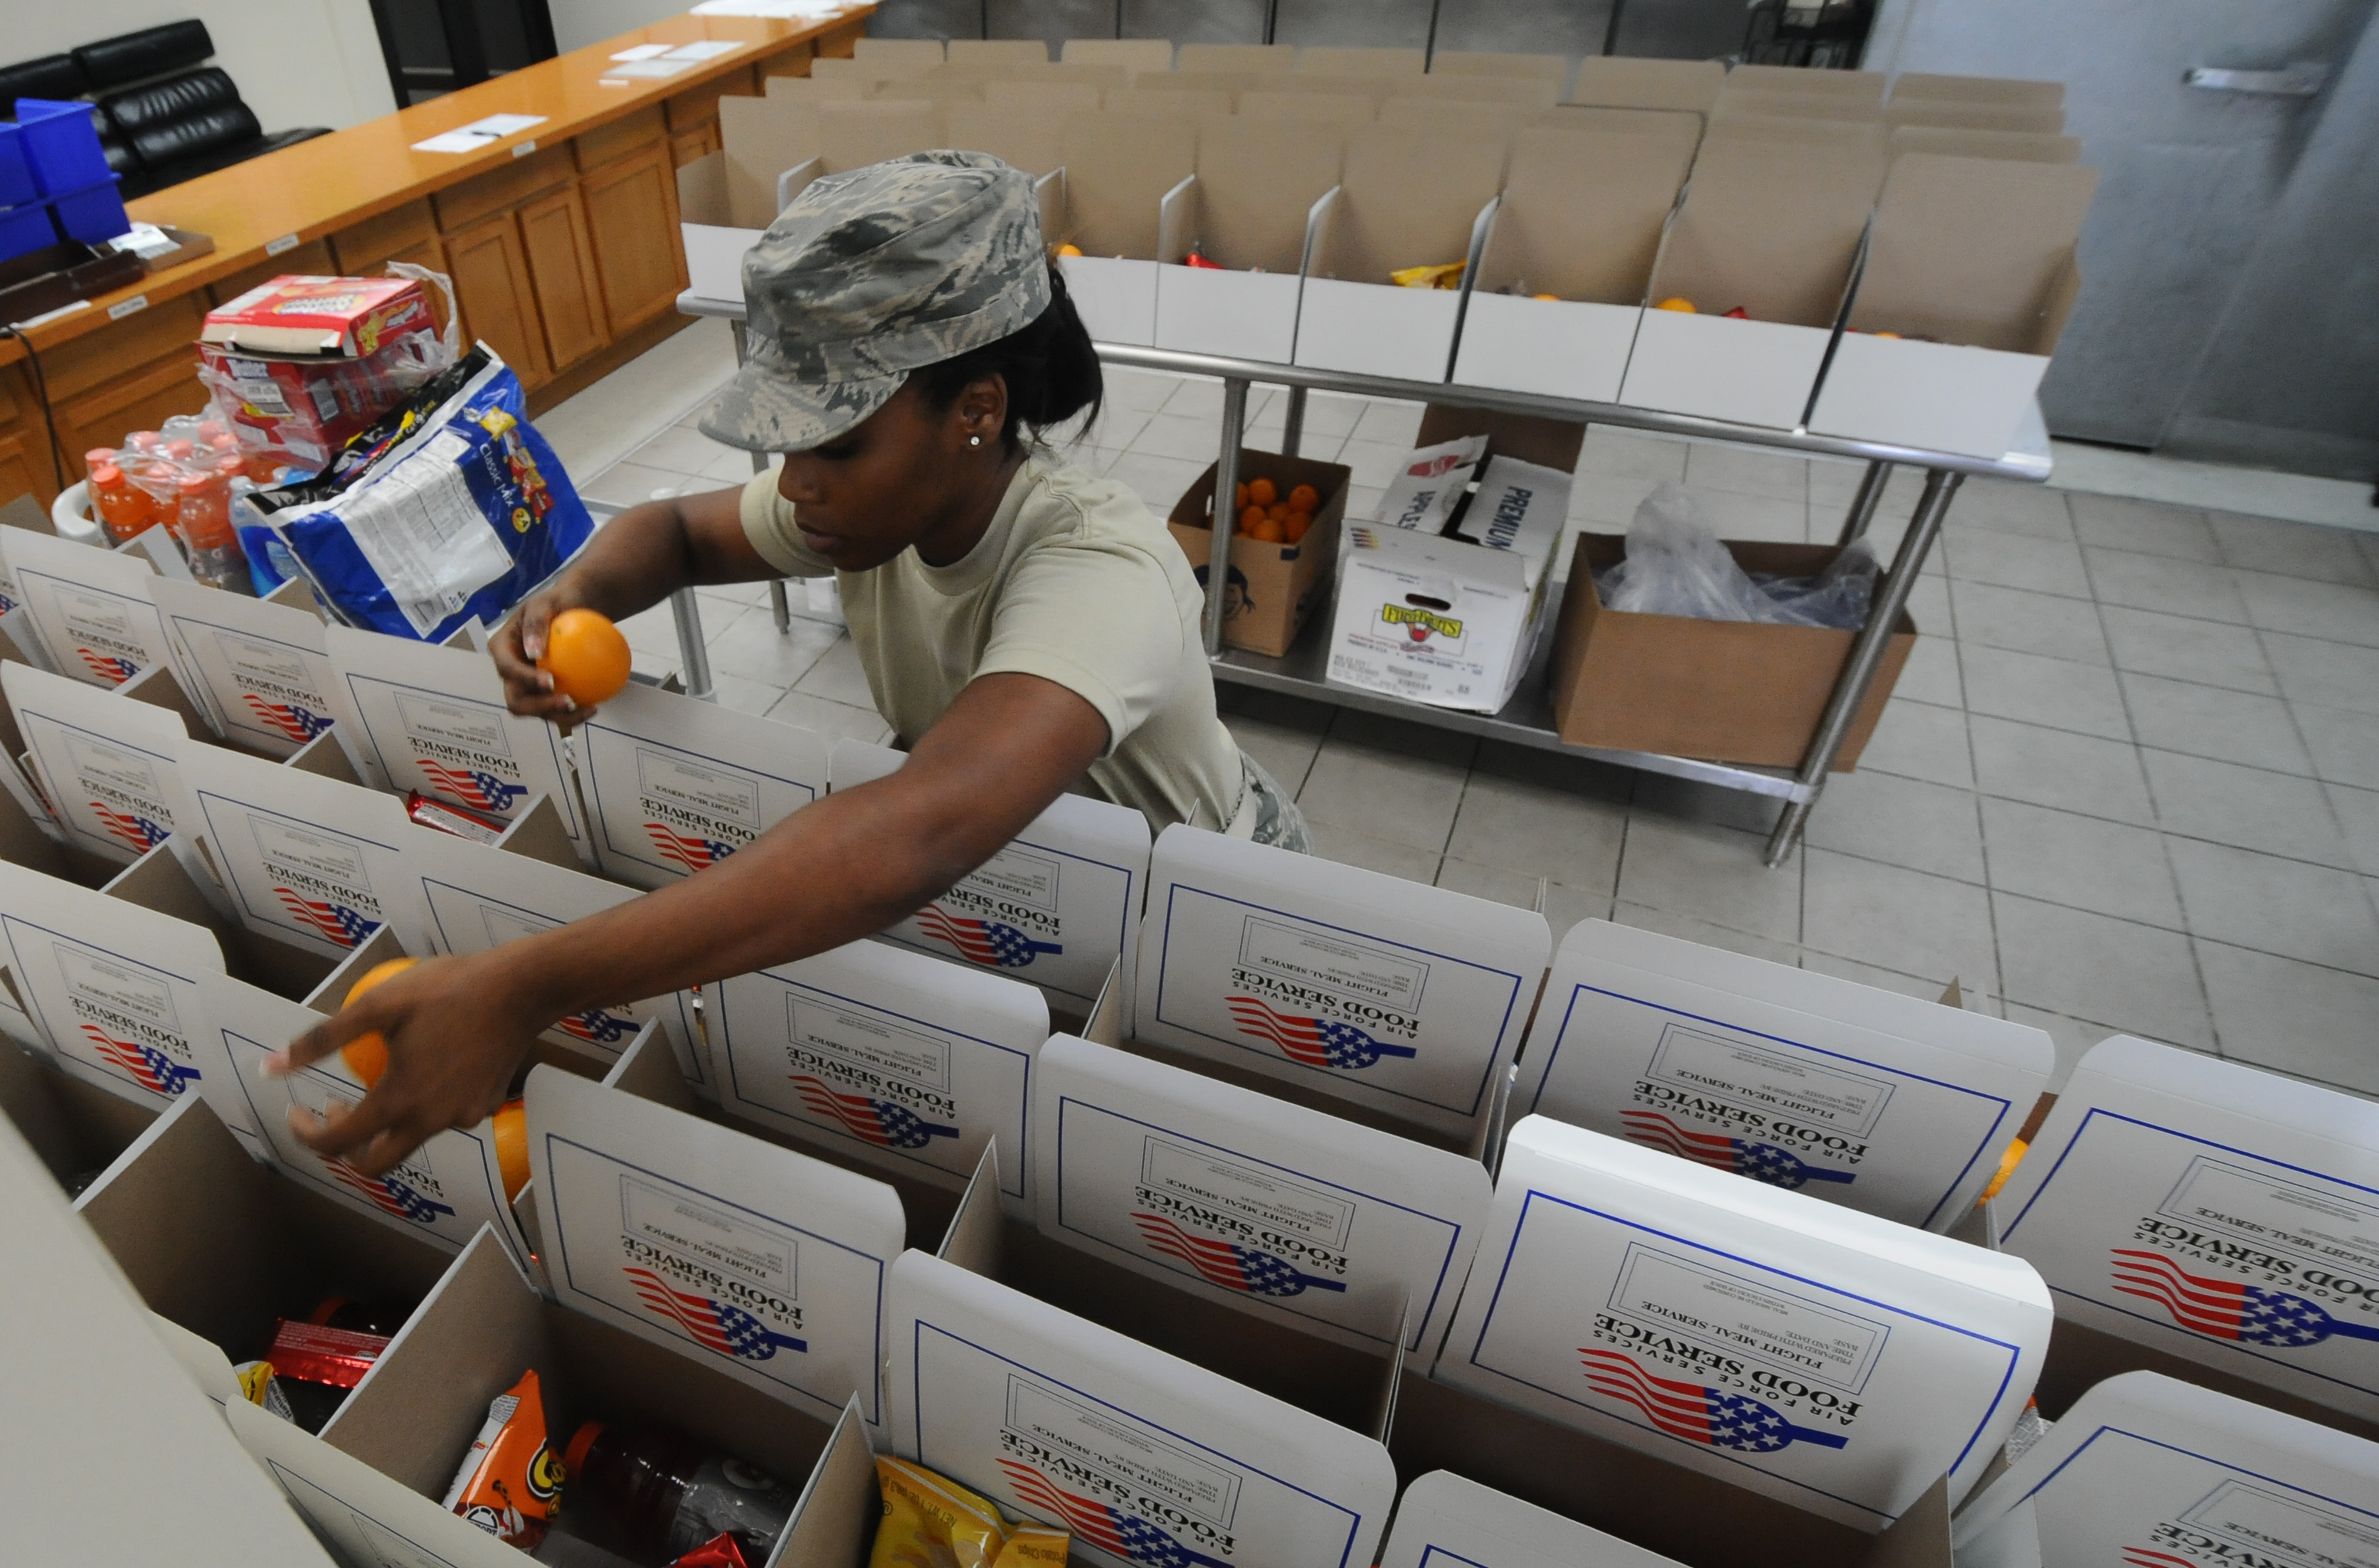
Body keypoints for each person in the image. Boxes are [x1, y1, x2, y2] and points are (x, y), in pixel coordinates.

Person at [272, 152, 1306, 1176]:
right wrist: (568, 599)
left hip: (1199, 927)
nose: (797, 486)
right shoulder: (873, 504)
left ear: (976, 412)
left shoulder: (1096, 570)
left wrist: (519, 986)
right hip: (1032, 885)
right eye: (790, 443)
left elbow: (922, 828)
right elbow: (672, 532)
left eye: (835, 444)